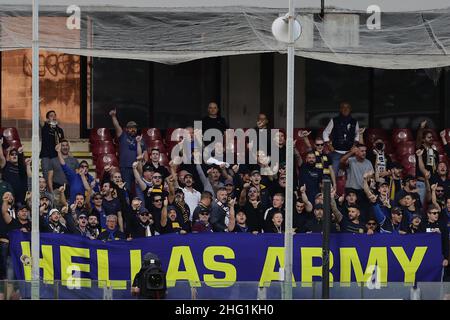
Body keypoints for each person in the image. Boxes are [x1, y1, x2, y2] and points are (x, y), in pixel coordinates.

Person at [109, 108, 145, 192]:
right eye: (130, 128)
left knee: (138, 189)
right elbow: (117, 126)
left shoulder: (140, 139)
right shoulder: (123, 136)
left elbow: (142, 155)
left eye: (134, 128)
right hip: (125, 167)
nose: (133, 129)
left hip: (137, 168)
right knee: (127, 189)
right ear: (126, 129)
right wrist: (113, 116)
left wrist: (139, 142)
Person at [323, 102, 360, 177]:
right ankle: (333, 188)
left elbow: (357, 135)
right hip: (336, 152)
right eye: (343, 107)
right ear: (340, 109)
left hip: (350, 153)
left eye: (347, 108)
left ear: (350, 109)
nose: (345, 109)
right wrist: (329, 144)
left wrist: (354, 145)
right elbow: (325, 133)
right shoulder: (334, 120)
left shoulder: (354, 122)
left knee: (353, 174)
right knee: (333, 173)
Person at [40, 110, 64, 192]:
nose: (53, 117)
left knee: (56, 176)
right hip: (46, 156)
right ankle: (46, 195)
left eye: (54, 115)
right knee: (46, 176)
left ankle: (55, 193)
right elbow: (39, 119)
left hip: (56, 156)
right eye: (51, 115)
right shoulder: (45, 127)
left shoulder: (59, 130)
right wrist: (38, 105)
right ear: (47, 118)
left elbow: (63, 143)